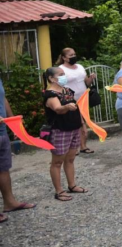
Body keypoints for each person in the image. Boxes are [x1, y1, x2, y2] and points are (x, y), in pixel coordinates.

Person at [42, 67, 88, 202]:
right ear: (51, 78)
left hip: (74, 128)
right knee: (57, 162)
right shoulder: (50, 94)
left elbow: (77, 108)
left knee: (70, 159)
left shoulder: (67, 90)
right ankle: (59, 191)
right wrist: (66, 107)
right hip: (60, 131)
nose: (64, 76)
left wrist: (82, 124)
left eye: (64, 74)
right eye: (60, 75)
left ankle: (72, 185)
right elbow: (57, 109)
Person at [0, 77, 36, 223]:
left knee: (3, 168)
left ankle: (10, 203)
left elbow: (3, 99)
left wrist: (13, 121)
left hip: (2, 131)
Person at [57, 48, 96, 154]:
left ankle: (83, 146)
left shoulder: (80, 67)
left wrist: (91, 78)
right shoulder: (60, 69)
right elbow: (60, 85)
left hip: (83, 98)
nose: (73, 56)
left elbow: (86, 82)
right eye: (70, 55)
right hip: (70, 100)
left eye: (74, 54)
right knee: (75, 123)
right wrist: (68, 96)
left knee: (83, 121)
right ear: (64, 57)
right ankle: (73, 147)